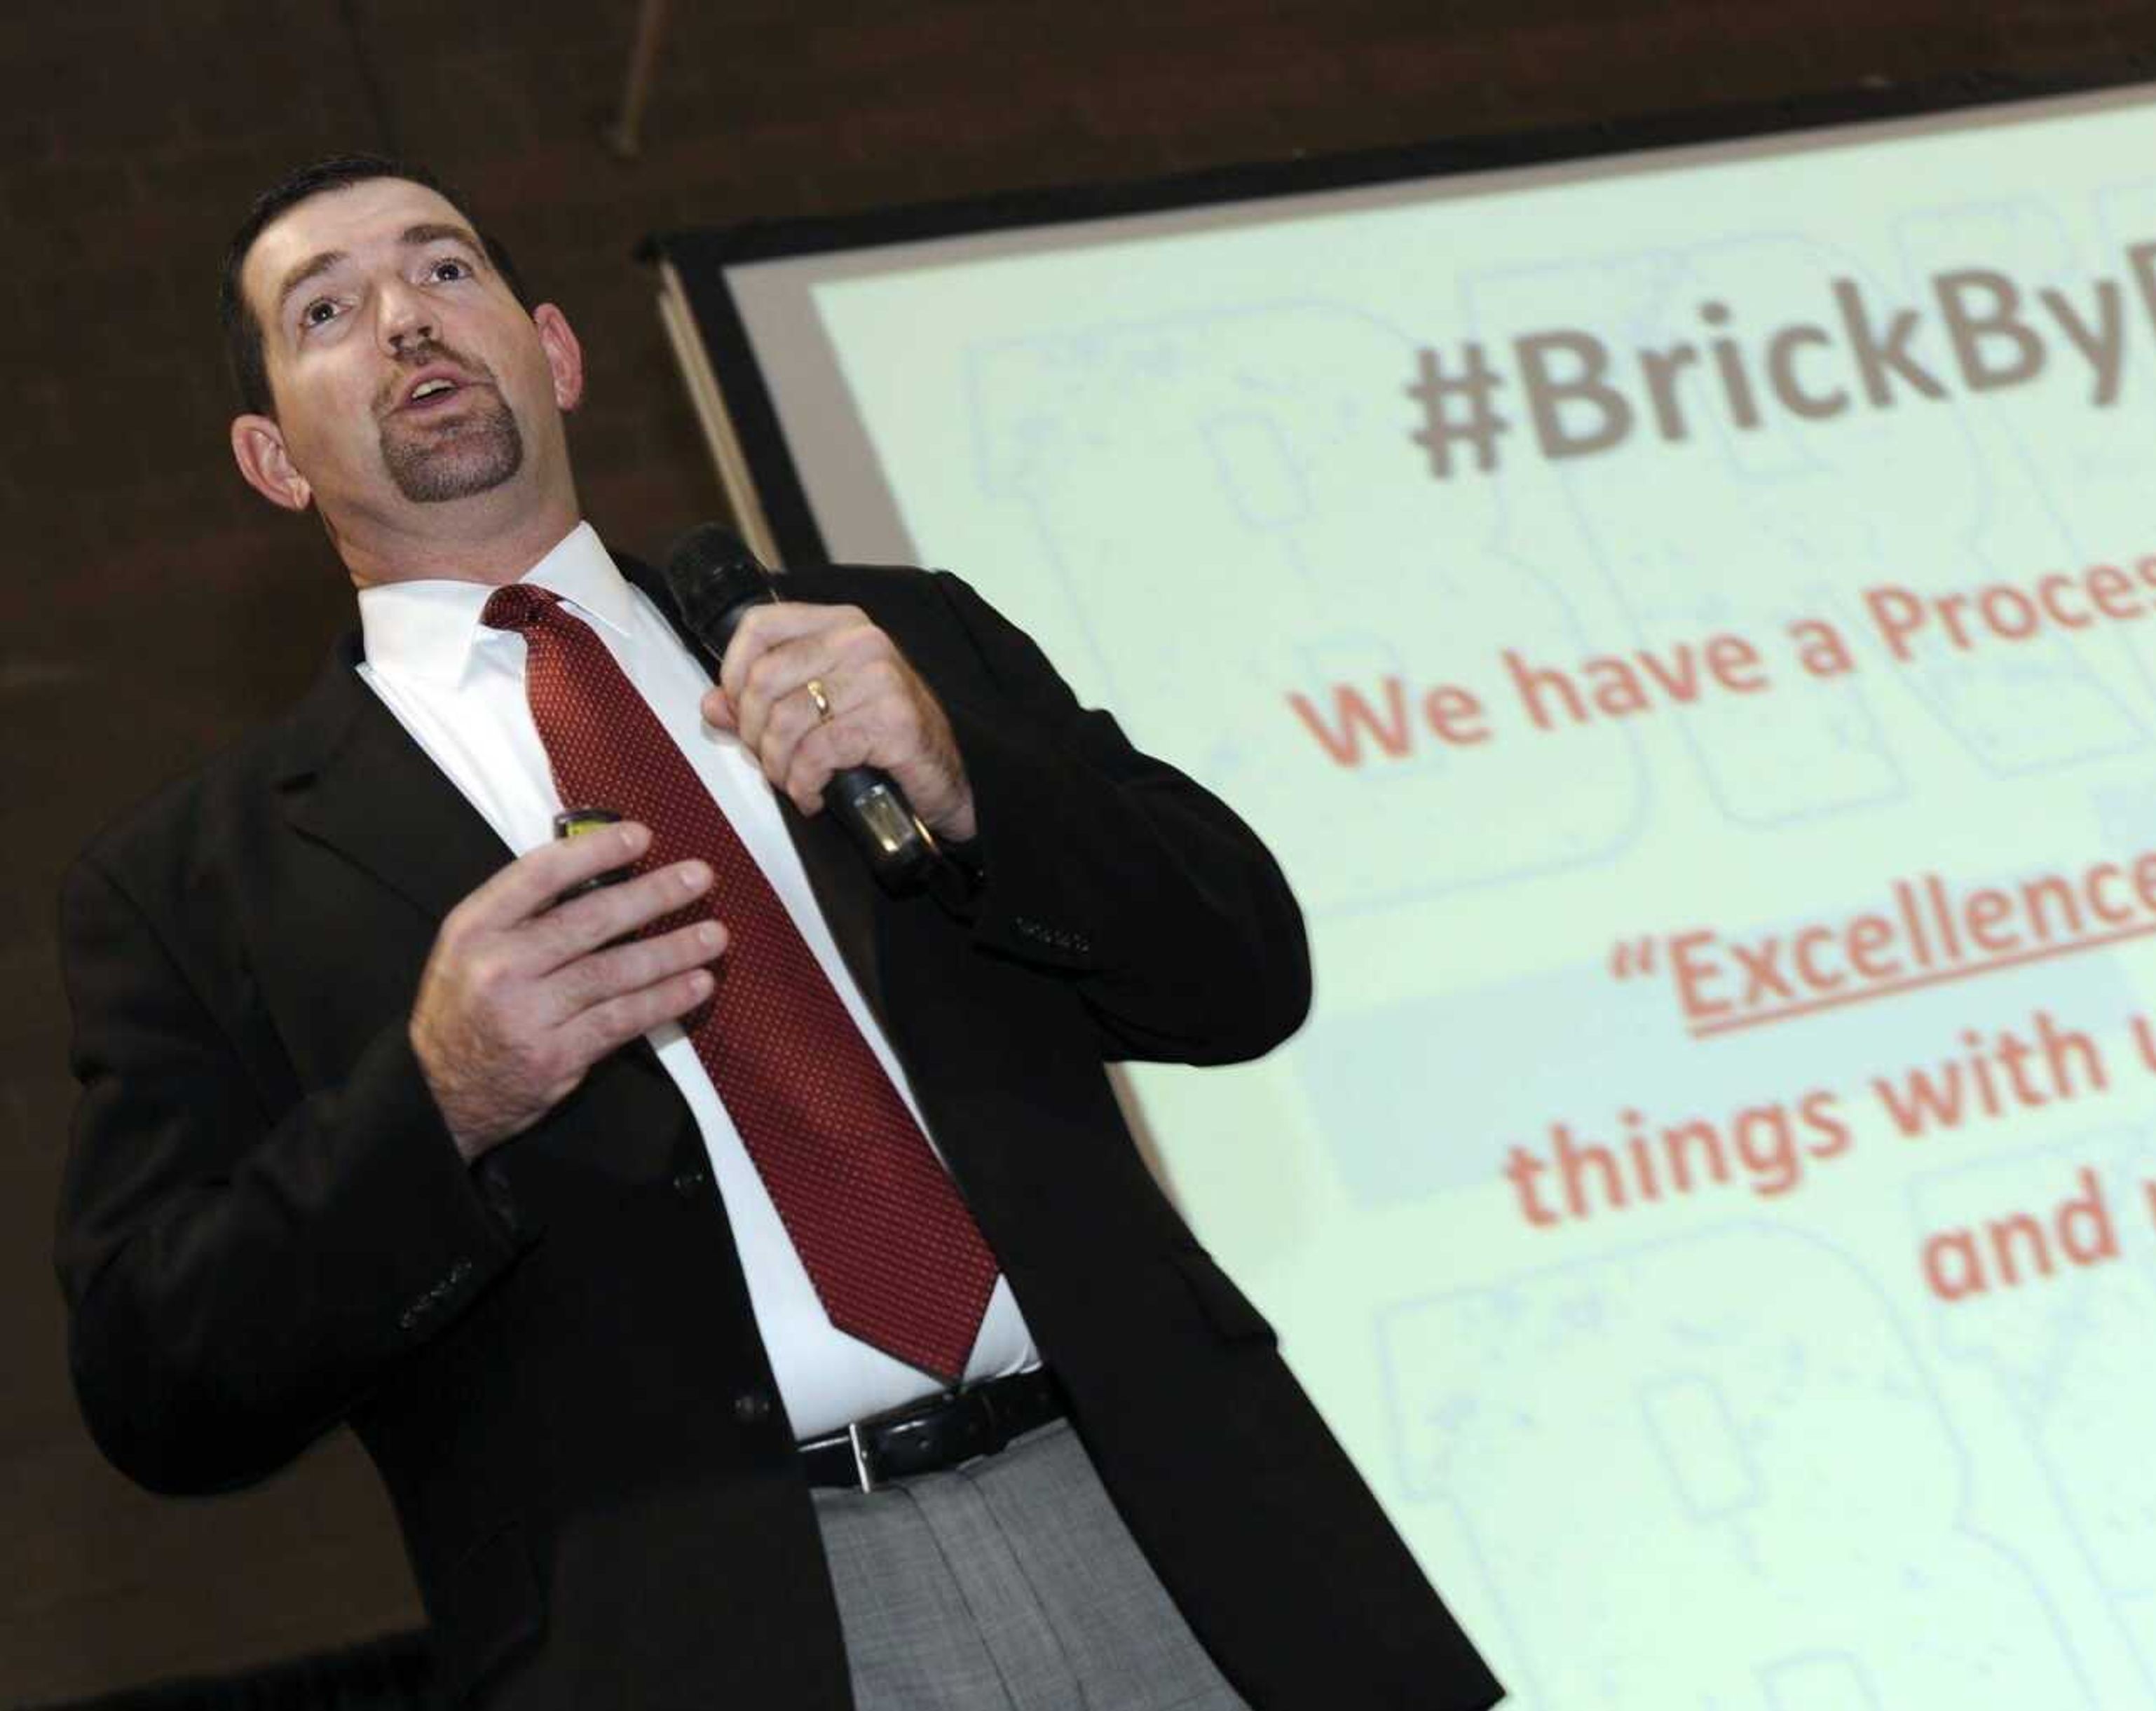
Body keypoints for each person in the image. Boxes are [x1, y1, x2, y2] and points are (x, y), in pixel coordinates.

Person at [53, 154, 1503, 1711]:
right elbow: (163, 1383)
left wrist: (975, 787)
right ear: (272, 457)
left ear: (556, 351)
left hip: (1166, 1517)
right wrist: (439, 1101)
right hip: (724, 1630)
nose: (407, 319)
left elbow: (1245, 971)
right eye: (328, 308)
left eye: (446, 269)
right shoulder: (202, 879)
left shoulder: (888, 640)